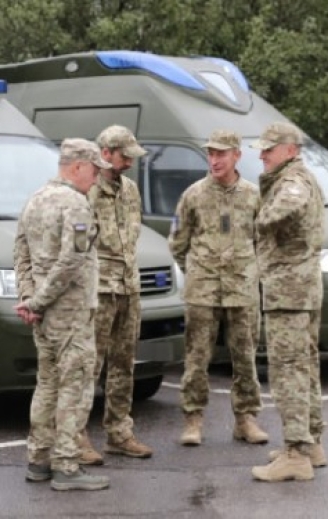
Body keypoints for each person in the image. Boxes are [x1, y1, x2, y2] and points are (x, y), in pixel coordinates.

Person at [13, 138, 111, 491]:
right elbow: (72, 260)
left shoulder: (35, 200)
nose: (97, 178)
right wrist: (37, 301)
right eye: (96, 170)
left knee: (47, 384)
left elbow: (20, 254)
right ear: (79, 166)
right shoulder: (76, 204)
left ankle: (38, 460)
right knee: (75, 385)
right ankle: (66, 466)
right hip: (69, 313)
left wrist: (29, 298)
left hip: (44, 315)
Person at [168, 129, 267, 447]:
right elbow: (178, 243)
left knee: (245, 357)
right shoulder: (194, 195)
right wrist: (197, 271)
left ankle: (246, 419)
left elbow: (264, 242)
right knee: (197, 357)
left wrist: (252, 272)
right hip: (203, 291)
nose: (215, 160)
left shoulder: (253, 195)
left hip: (242, 289)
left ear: (237, 155)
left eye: (221, 153)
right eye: (211, 153)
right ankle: (193, 419)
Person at [250, 121, 325, 482]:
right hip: (301, 288)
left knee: (288, 370)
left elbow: (289, 207)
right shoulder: (304, 177)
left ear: (290, 149)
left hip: (288, 290)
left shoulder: (293, 180)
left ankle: (296, 453)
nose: (263, 155)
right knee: (306, 365)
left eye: (269, 148)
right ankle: (310, 443)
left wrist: (260, 219)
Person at [76, 125, 153, 465]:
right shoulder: (87, 191)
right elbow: (78, 246)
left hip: (128, 286)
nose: (129, 163)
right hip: (98, 289)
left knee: (123, 363)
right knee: (89, 365)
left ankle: (119, 432)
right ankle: (75, 435)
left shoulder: (130, 190)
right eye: (125, 157)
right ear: (105, 154)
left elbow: (132, 236)